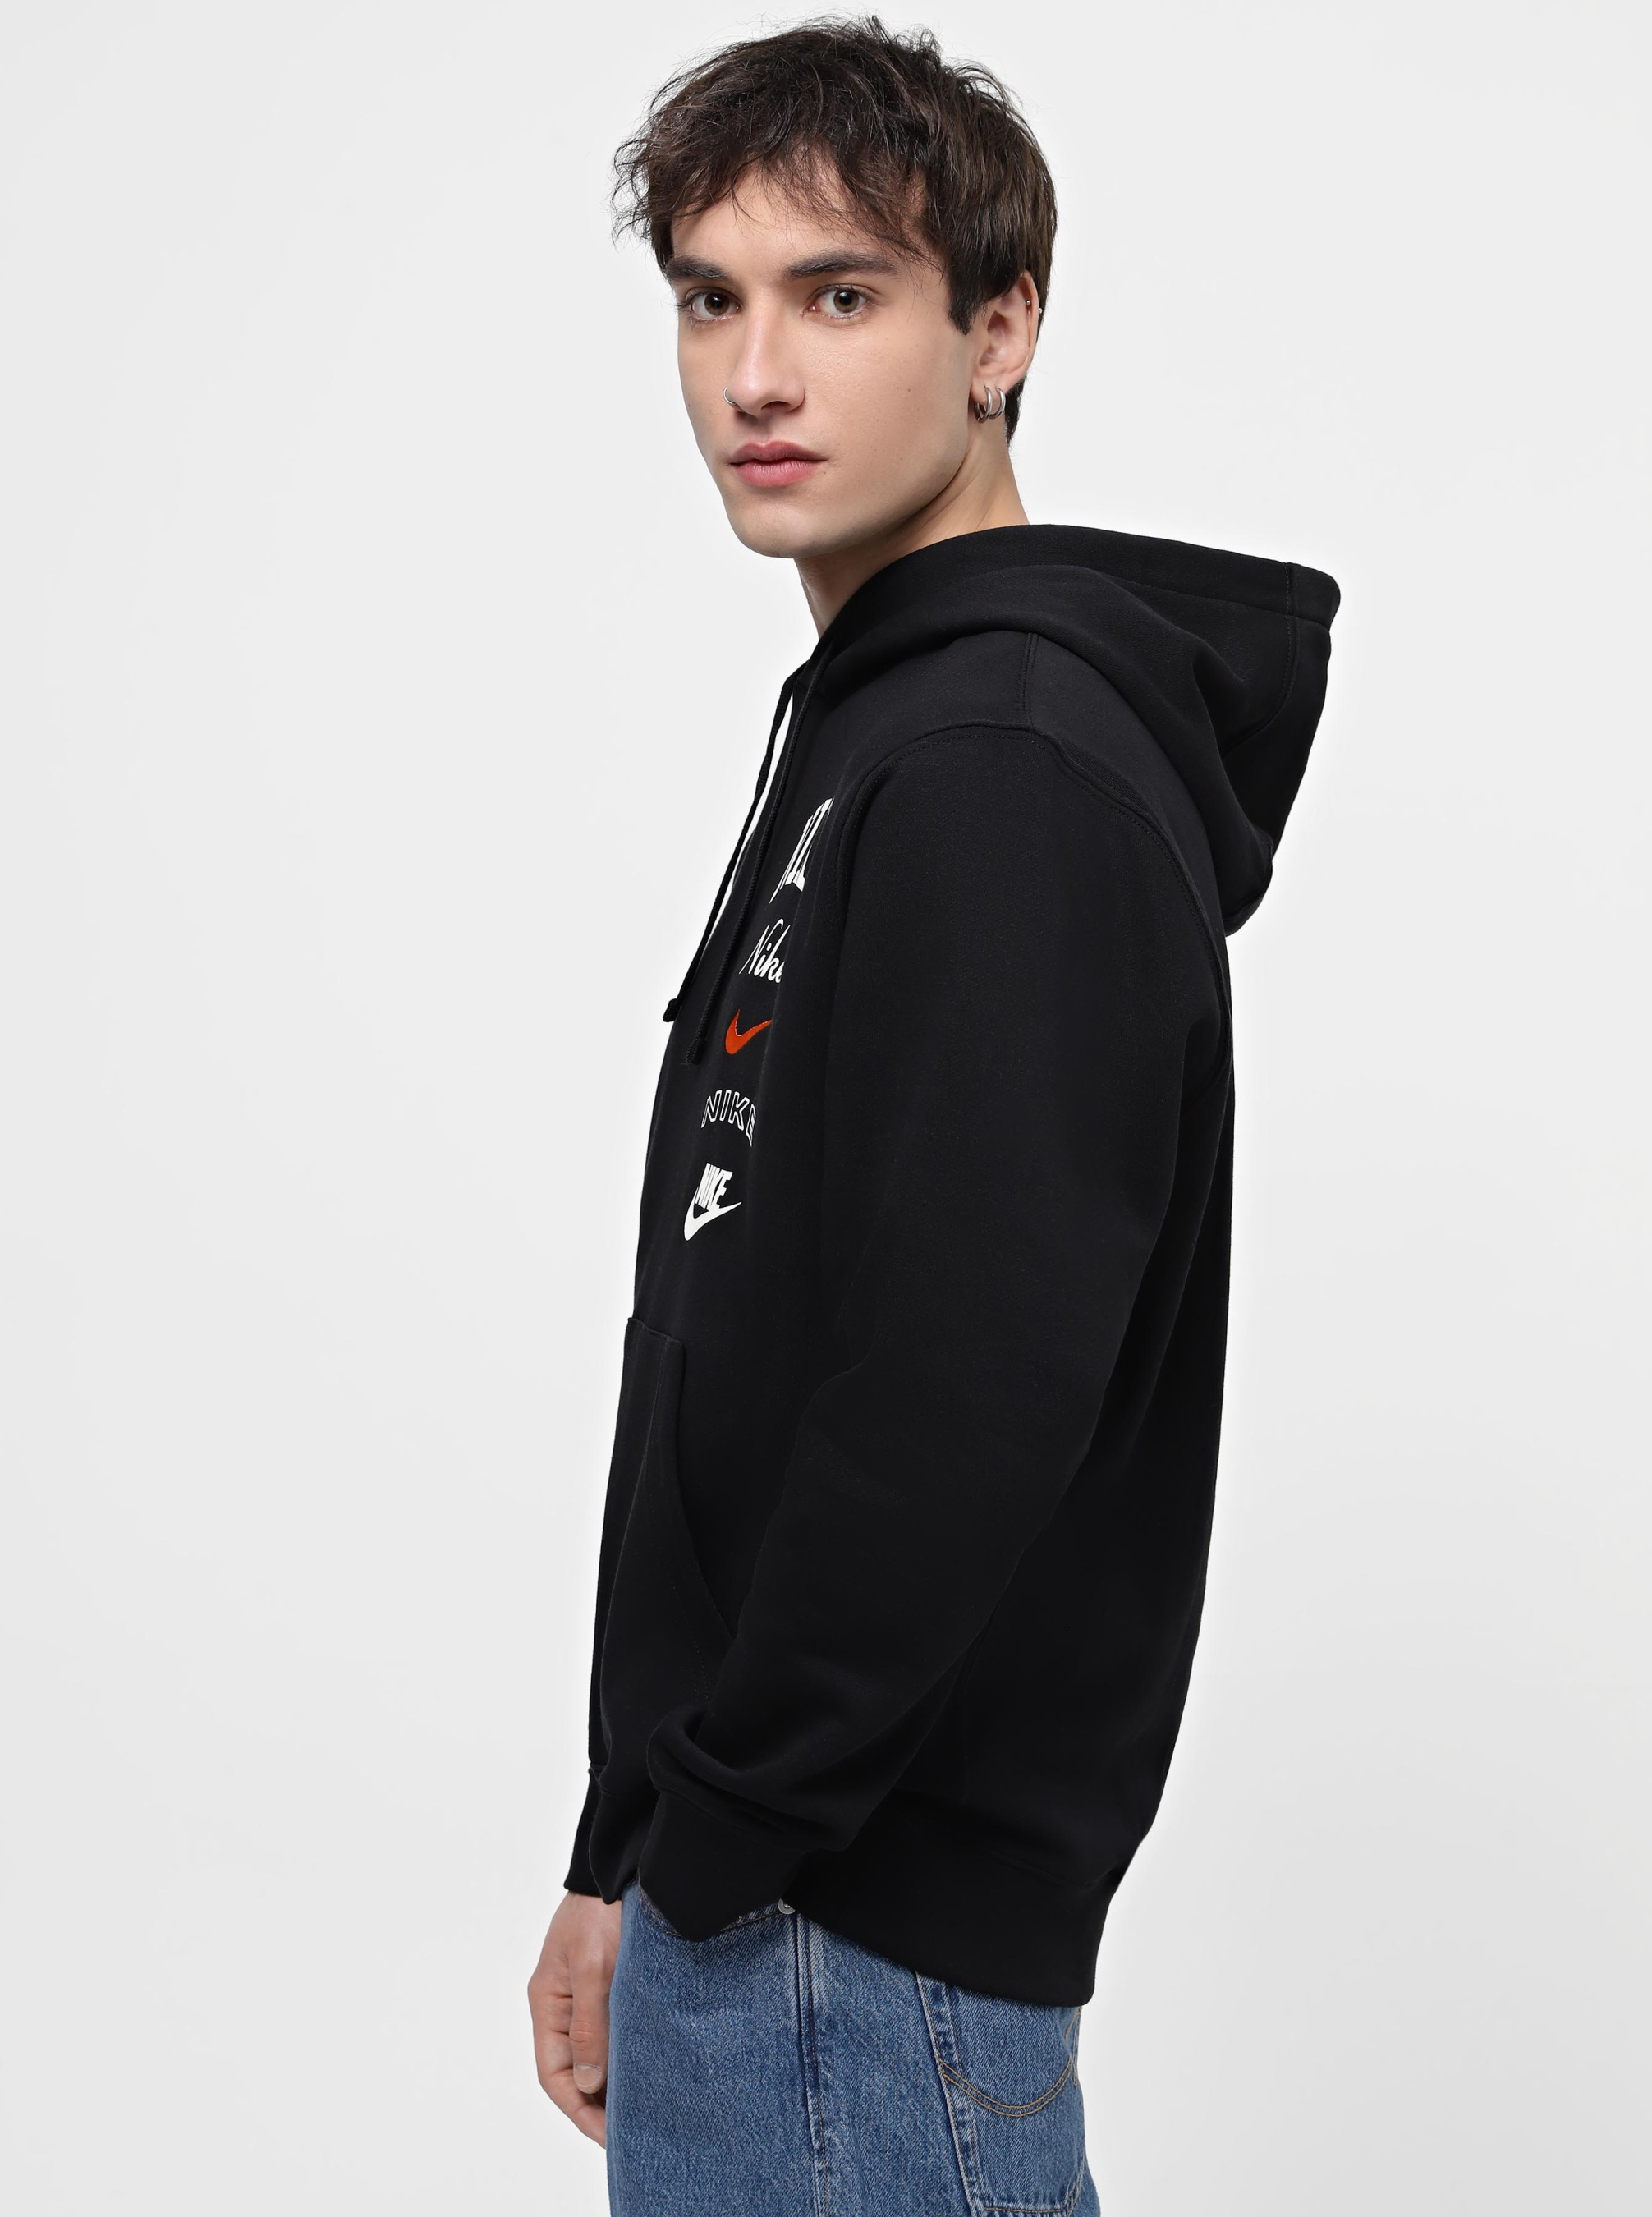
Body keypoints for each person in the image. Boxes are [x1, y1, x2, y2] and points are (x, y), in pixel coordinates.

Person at [527, 17, 1340, 2212]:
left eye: (839, 294)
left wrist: (716, 1836)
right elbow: (746, 1344)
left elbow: (964, 1386)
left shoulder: (999, 766)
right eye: (709, 299)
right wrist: (629, 1841)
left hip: (842, 1945)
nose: (754, 374)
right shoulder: (890, 732)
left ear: (1000, 333)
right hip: (770, 1904)